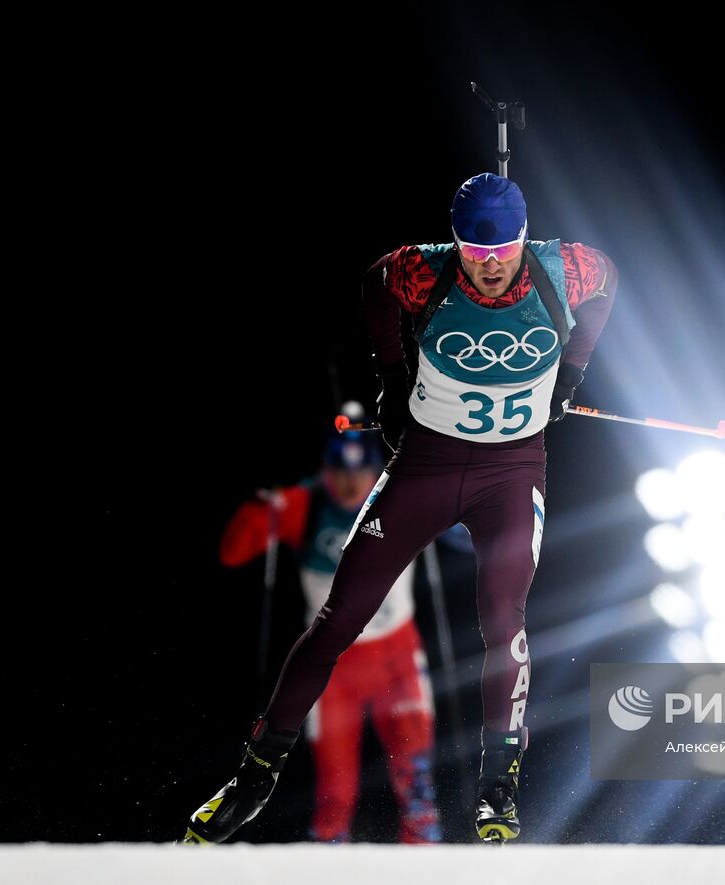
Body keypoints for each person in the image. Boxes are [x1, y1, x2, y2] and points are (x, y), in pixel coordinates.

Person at [183, 172, 618, 844]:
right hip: (426, 468)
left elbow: (608, 281)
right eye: (477, 252)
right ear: (457, 244)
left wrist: (574, 368)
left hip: (510, 474)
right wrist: (392, 375)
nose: (492, 265)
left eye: (503, 248)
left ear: (523, 238)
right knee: (338, 617)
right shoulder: (426, 272)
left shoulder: (566, 268)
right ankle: (255, 774)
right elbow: (374, 286)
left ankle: (498, 787)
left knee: (504, 618)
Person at [215, 420, 441, 843]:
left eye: (360, 473)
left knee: (418, 789)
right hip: (334, 671)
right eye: (340, 473)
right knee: (335, 795)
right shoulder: (306, 503)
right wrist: (262, 509)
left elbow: (468, 521)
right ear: (326, 471)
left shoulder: (402, 496)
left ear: (377, 471)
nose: (351, 484)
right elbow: (231, 553)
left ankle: (424, 868)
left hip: (398, 661)